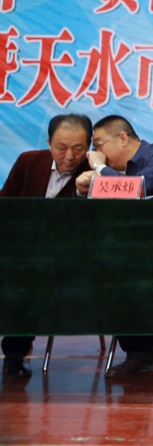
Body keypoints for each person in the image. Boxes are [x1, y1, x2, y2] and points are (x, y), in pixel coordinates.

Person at [75, 114, 153, 380]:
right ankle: (141, 352)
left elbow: (138, 188)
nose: (97, 153)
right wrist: (85, 189)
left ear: (122, 138)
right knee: (105, 275)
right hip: (135, 251)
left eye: (99, 144)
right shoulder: (114, 171)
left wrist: (100, 170)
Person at [1, 113, 93, 378]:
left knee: (28, 282)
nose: (70, 156)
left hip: (65, 257)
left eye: (78, 148)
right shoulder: (29, 161)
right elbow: (6, 204)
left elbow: (92, 225)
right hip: (20, 250)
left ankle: (14, 355)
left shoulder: (96, 172)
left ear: (89, 146)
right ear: (49, 143)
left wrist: (82, 192)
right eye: (61, 147)